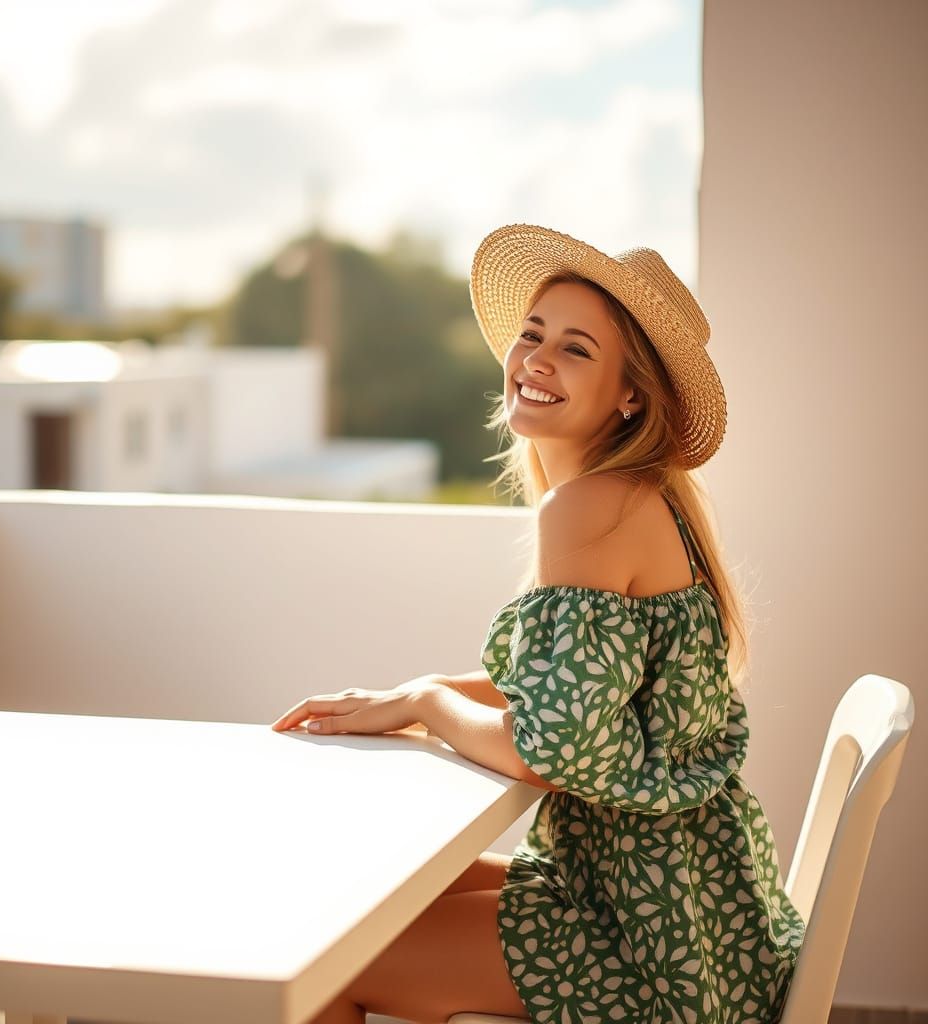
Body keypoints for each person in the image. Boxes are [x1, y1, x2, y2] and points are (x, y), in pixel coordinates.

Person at [270, 223, 806, 1024]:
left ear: (631, 394)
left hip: (644, 941)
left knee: (319, 962)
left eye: (577, 348)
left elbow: (546, 749)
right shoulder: (647, 497)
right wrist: (412, 694)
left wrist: (425, 703)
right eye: (533, 333)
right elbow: (569, 691)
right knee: (361, 893)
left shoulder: (587, 507)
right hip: (698, 910)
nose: (537, 360)